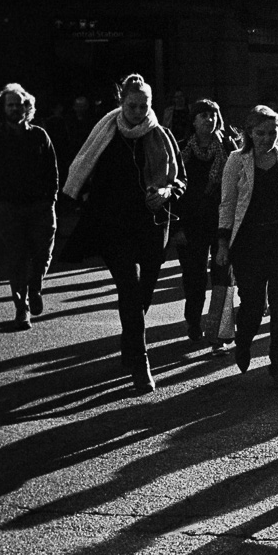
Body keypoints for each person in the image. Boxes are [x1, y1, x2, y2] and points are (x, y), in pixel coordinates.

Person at [61, 74, 183, 393]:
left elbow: (180, 181)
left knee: (143, 293)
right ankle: (141, 363)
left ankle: (130, 338)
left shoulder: (162, 135)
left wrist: (167, 191)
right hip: (113, 226)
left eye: (145, 105)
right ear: (121, 102)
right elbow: (84, 169)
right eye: (133, 105)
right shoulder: (106, 134)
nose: (139, 111)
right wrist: (83, 196)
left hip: (152, 226)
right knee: (129, 288)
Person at [216, 107, 278, 389]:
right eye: (260, 133)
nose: (266, 138)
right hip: (249, 242)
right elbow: (228, 203)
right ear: (249, 133)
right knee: (253, 304)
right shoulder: (237, 160)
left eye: (272, 132)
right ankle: (243, 341)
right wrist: (222, 243)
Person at [0, 83, 58, 330]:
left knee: (42, 253)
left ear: (27, 107)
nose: (15, 108)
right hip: (8, 209)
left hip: (40, 206)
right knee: (16, 258)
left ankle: (35, 287)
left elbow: (52, 169)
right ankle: (21, 309)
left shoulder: (39, 135)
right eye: (10, 104)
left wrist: (51, 198)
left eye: (19, 104)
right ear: (3, 109)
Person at [177, 99, 232, 348]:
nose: (209, 120)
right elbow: (173, 191)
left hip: (221, 222)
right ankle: (194, 322)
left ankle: (219, 331)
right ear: (193, 120)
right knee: (194, 278)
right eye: (203, 116)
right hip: (190, 224)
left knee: (222, 277)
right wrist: (176, 227)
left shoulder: (228, 148)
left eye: (212, 115)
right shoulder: (181, 150)